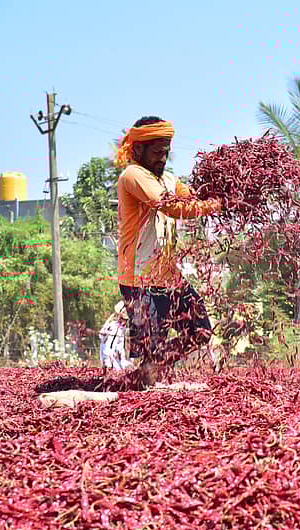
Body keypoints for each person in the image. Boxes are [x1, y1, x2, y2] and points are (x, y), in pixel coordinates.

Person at [115, 116, 223, 386]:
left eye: (166, 152)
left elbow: (191, 196)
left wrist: (221, 190)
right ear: (138, 149)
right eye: (157, 152)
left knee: (201, 331)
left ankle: (150, 371)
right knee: (151, 347)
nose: (162, 159)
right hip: (139, 280)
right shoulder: (133, 176)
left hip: (168, 278)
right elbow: (171, 206)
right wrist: (215, 205)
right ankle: (146, 382)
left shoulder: (169, 179)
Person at [99, 301, 133, 371]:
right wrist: (105, 333)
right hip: (106, 352)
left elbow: (120, 344)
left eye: (125, 320)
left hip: (114, 355)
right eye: (123, 319)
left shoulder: (122, 329)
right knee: (109, 367)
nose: (124, 322)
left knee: (122, 367)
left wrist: (120, 353)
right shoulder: (112, 324)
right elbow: (102, 336)